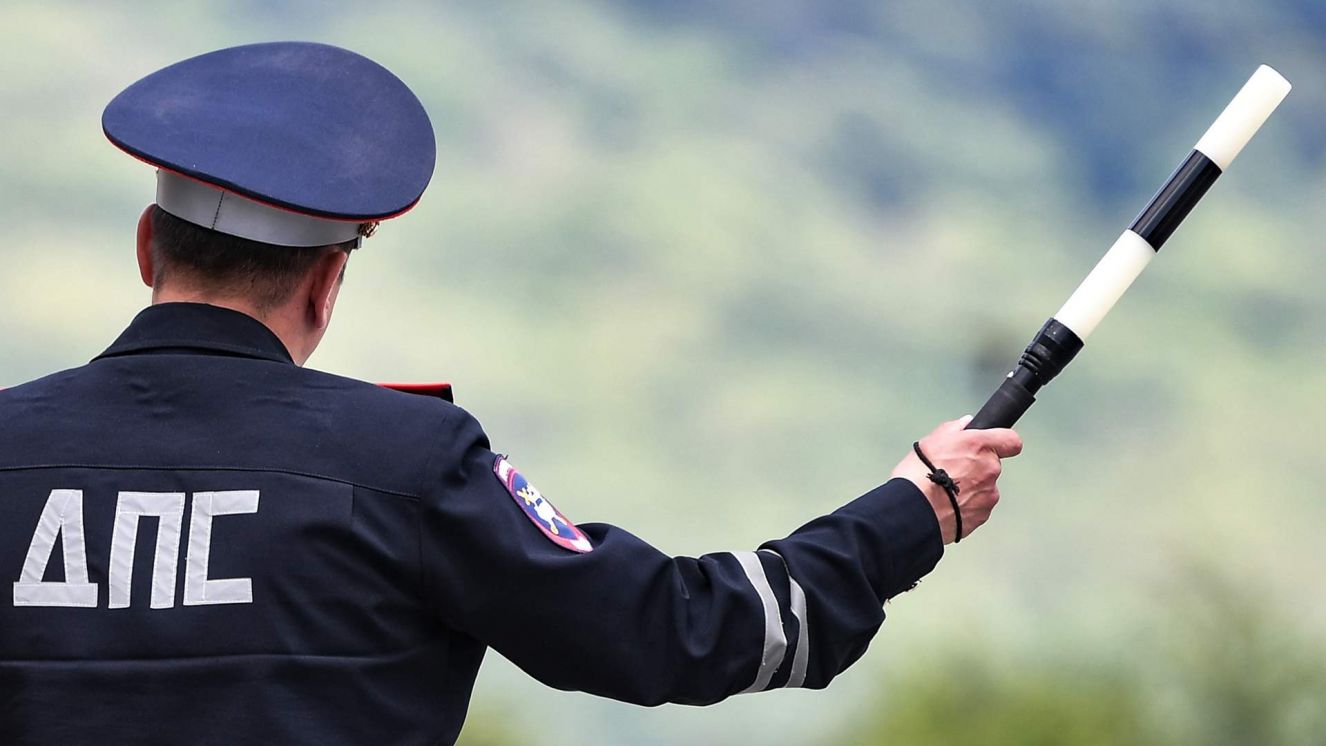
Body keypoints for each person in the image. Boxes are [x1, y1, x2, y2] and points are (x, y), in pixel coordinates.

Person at [0, 42, 1021, 746]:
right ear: (328, 279)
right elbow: (681, 631)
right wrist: (911, 510)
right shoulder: (408, 463)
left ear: (147, 245)